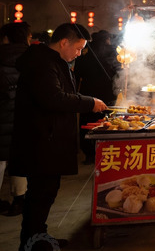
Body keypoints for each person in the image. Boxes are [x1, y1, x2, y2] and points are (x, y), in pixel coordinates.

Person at [11, 23, 107, 251]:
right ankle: (32, 243)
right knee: (40, 195)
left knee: (45, 193)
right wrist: (88, 102)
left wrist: (85, 99)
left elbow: (64, 93)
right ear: (64, 42)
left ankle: (38, 237)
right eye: (78, 48)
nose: (79, 54)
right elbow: (53, 98)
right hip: (41, 140)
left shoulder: (52, 60)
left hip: (48, 139)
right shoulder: (42, 63)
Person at [74, 30, 119, 163]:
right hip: (108, 94)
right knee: (108, 123)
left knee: (88, 124)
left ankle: (89, 153)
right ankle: (107, 152)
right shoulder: (112, 55)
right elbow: (119, 74)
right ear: (107, 40)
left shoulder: (85, 56)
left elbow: (76, 76)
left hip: (88, 95)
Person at [0, 23, 31, 217]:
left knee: (0, 161)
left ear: (5, 38)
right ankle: (19, 200)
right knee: (20, 159)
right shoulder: (34, 58)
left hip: (1, 118)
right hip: (25, 118)